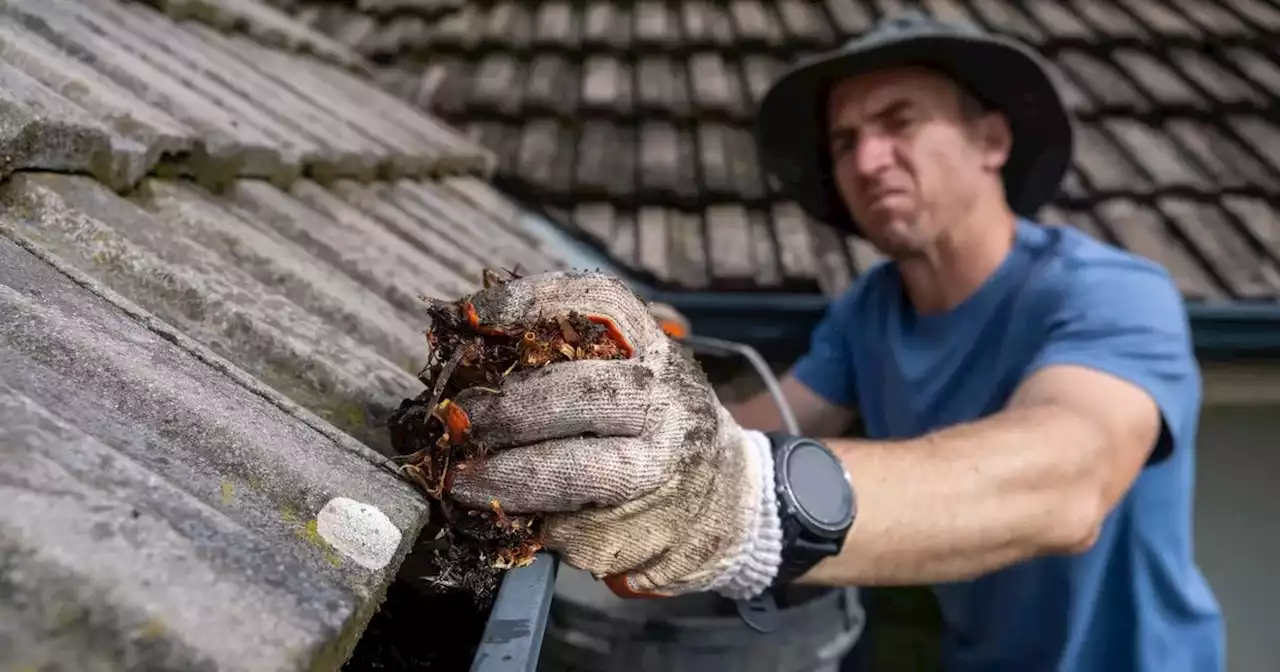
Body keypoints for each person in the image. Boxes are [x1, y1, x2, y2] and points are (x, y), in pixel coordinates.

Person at [442, 11, 1225, 672]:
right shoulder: (869, 312)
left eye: (898, 122)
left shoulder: (1111, 293)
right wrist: (628, 385)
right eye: (846, 140)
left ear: (991, 141)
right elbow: (761, 425)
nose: (866, 159)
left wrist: (740, 505)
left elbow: (1067, 483)